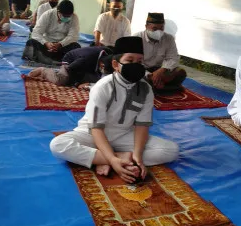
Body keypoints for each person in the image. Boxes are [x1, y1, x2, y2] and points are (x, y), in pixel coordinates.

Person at [50, 36, 180, 181]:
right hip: (92, 134)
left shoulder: (146, 89)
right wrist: (112, 159)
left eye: (139, 62)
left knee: (171, 150)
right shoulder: (103, 86)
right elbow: (96, 129)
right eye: (129, 61)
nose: (135, 65)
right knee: (58, 145)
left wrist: (137, 156)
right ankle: (118, 157)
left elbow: (141, 126)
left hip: (123, 135)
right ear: (116, 64)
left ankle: (102, 158)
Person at [133, 12, 187, 94]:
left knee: (180, 72)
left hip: (161, 70)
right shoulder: (136, 38)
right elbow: (134, 62)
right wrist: (150, 75)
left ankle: (155, 86)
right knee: (133, 72)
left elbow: (173, 58)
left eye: (161, 28)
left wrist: (162, 70)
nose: (158, 32)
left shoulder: (169, 38)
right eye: (154, 29)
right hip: (142, 70)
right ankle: (163, 87)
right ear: (146, 26)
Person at [22, 0, 80, 64]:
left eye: (68, 16)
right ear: (58, 12)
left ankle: (46, 60)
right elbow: (36, 32)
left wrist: (60, 44)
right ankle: (58, 61)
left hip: (63, 46)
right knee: (31, 42)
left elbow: (73, 36)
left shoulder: (74, 17)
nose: (66, 18)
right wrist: (46, 43)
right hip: (47, 45)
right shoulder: (48, 15)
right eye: (64, 16)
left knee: (76, 46)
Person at [28, 46, 114, 88]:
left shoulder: (110, 57)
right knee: (61, 81)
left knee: (102, 82)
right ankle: (43, 70)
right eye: (105, 71)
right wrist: (78, 84)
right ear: (102, 65)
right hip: (70, 62)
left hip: (87, 67)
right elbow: (71, 69)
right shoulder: (85, 60)